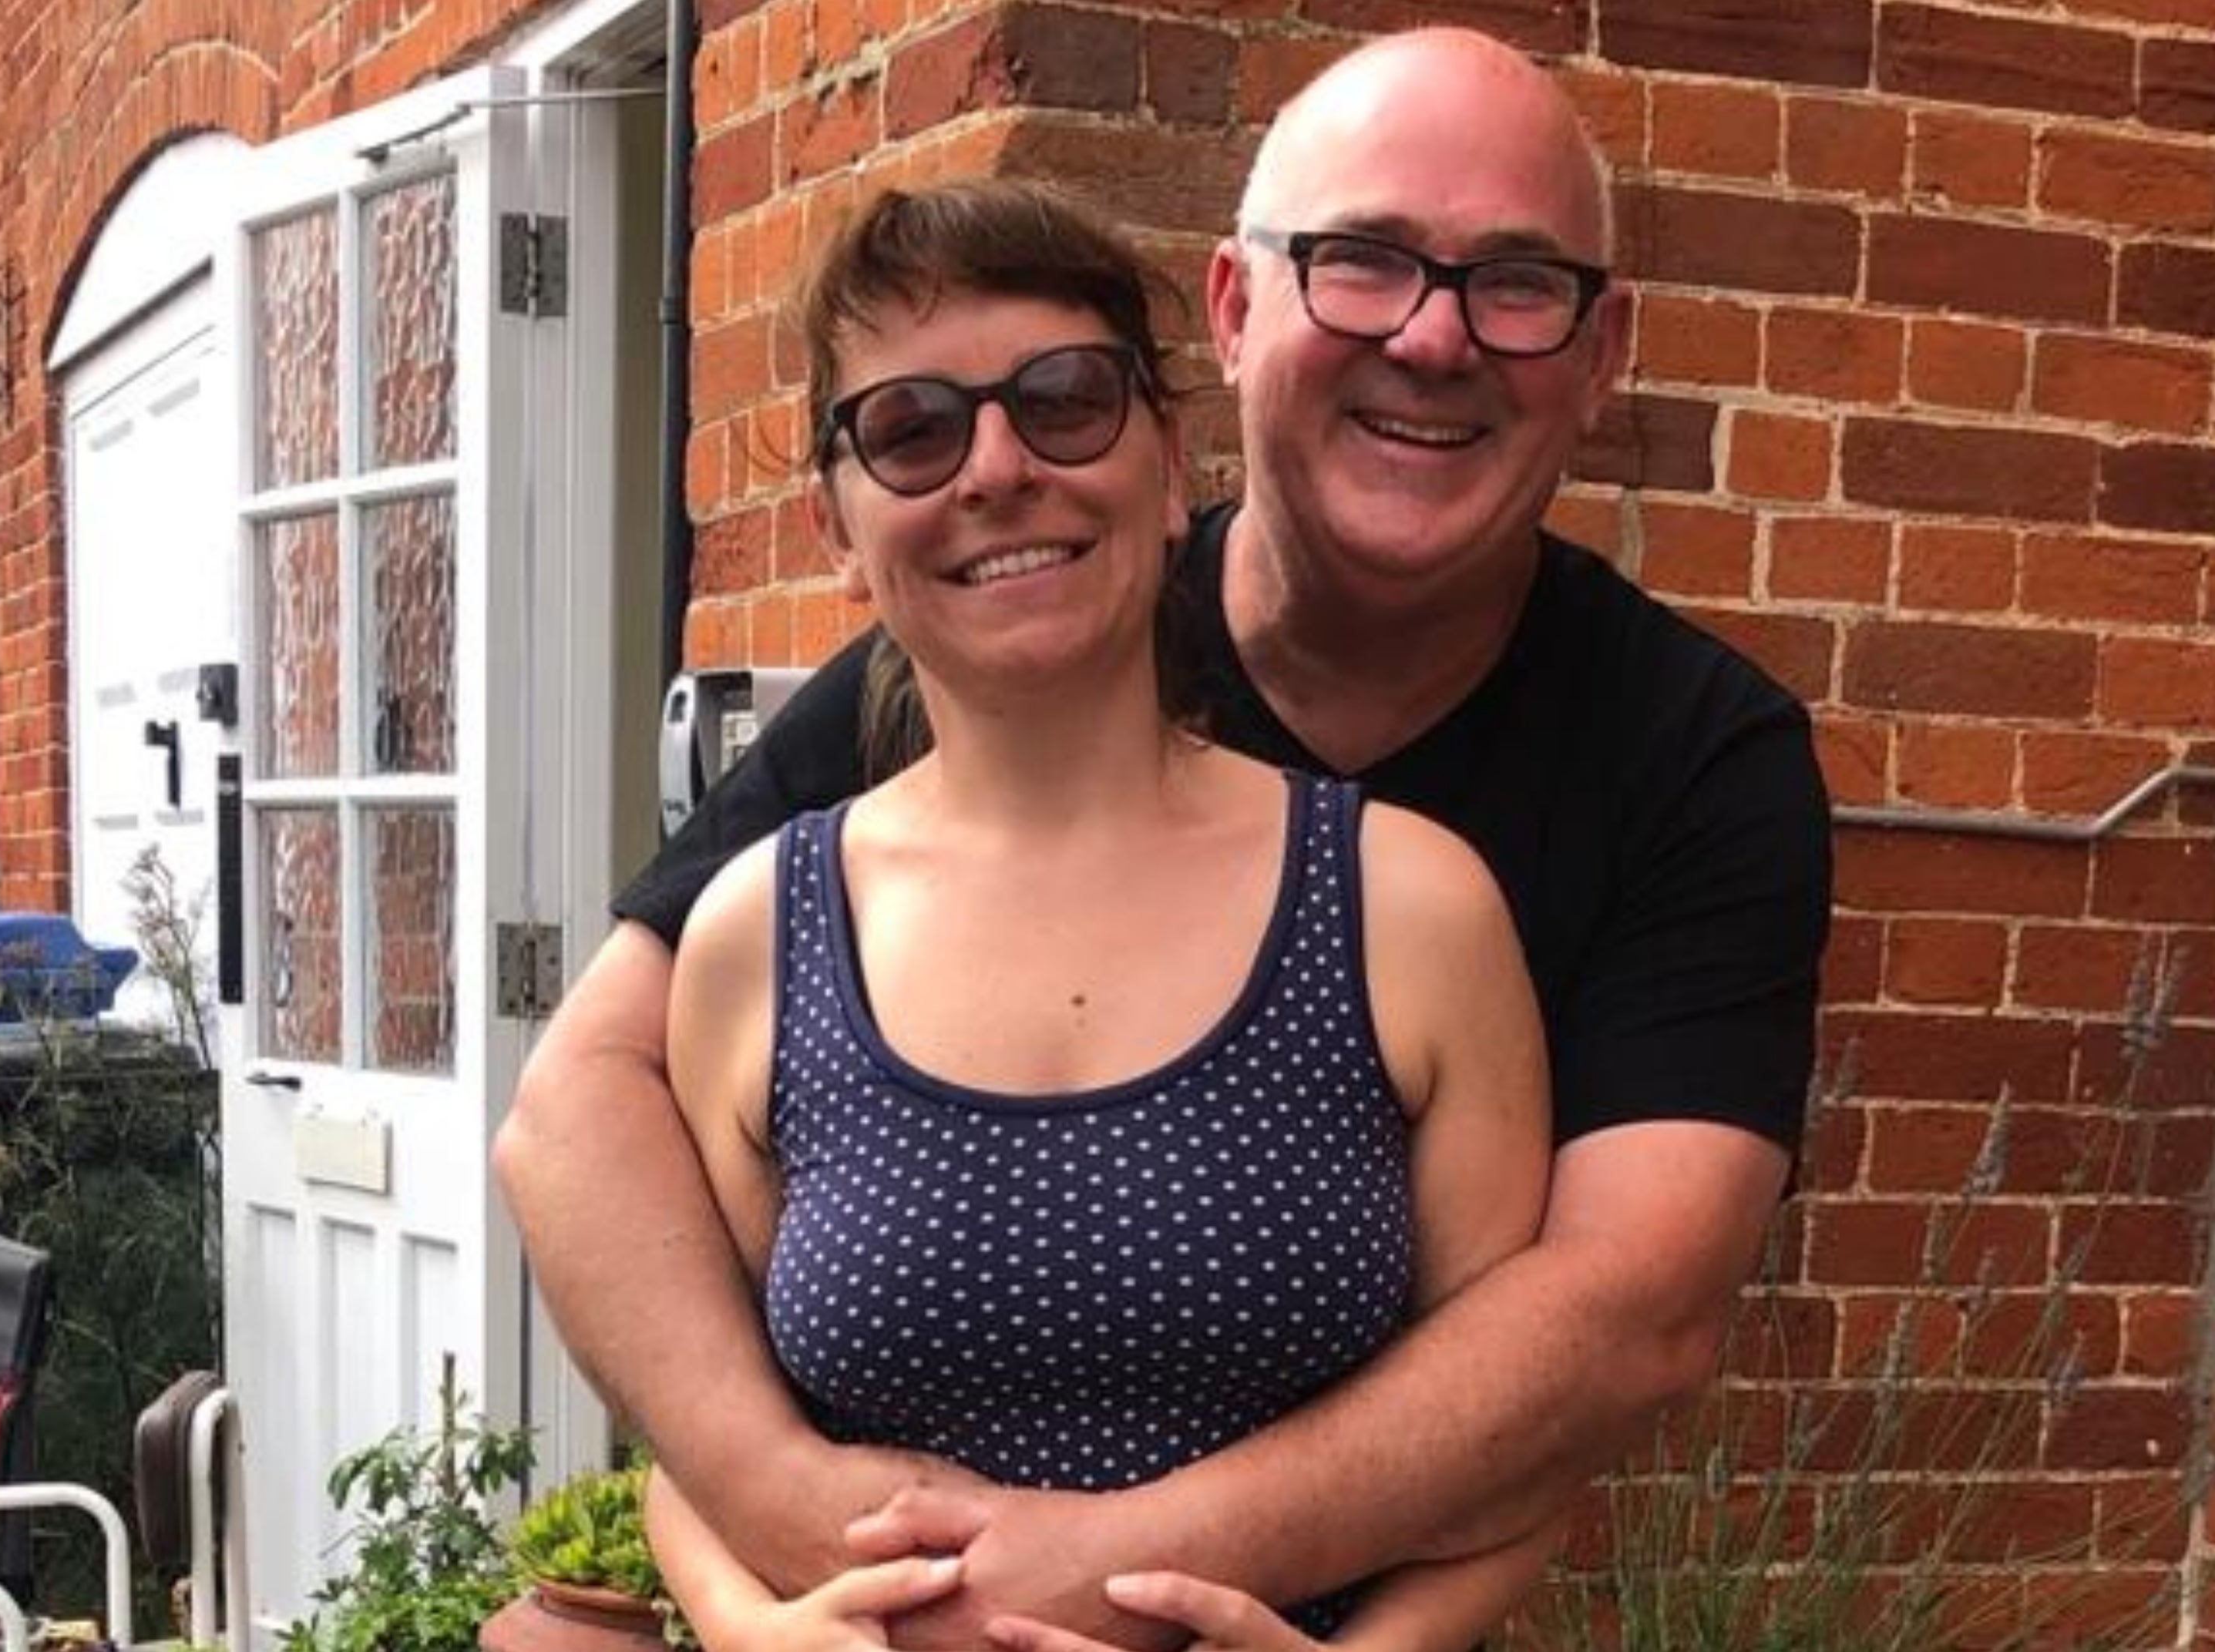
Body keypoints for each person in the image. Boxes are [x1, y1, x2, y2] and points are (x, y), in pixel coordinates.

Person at [494, 23, 1830, 1649]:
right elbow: (596, 1159)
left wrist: (1113, 1575)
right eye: (1362, 261)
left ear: (1154, 447)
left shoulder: (1610, 804)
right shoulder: (829, 840)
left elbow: (1605, 1336)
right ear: (1235, 311)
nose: (1432, 337)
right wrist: (760, 1564)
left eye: (1515, 282)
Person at [642, 178, 1554, 1652]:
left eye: (1064, 399)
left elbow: (1512, 1464)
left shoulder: (1407, 911)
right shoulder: (760, 937)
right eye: (913, 430)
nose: (997, 469)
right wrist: (750, 1626)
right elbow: (705, 1434)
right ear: (835, 517)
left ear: (1169, 455)